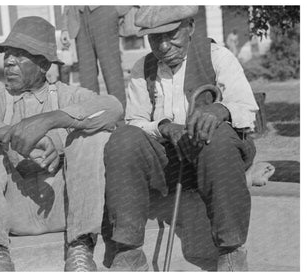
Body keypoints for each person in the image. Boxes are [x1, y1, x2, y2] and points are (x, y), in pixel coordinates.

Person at [0, 16, 123, 272]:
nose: (9, 61)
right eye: (7, 54)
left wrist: (52, 124)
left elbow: (112, 108)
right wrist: (8, 134)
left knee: (92, 135)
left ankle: (81, 248)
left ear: (43, 64)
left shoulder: (65, 94)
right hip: (10, 215)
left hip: (64, 209)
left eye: (20, 55)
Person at [103, 6, 259, 271]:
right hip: (169, 164)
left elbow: (248, 111)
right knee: (123, 140)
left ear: (191, 28)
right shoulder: (143, 67)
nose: (163, 45)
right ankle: (129, 252)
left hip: (214, 161)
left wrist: (220, 110)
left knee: (219, 138)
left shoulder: (218, 57)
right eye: (154, 38)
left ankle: (231, 251)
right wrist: (163, 127)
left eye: (172, 34)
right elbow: (135, 121)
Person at [60, 6, 130, 108]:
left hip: (104, 11)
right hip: (78, 16)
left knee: (111, 70)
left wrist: (116, 10)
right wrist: (64, 28)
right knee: (86, 75)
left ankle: (120, 118)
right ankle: (92, 117)